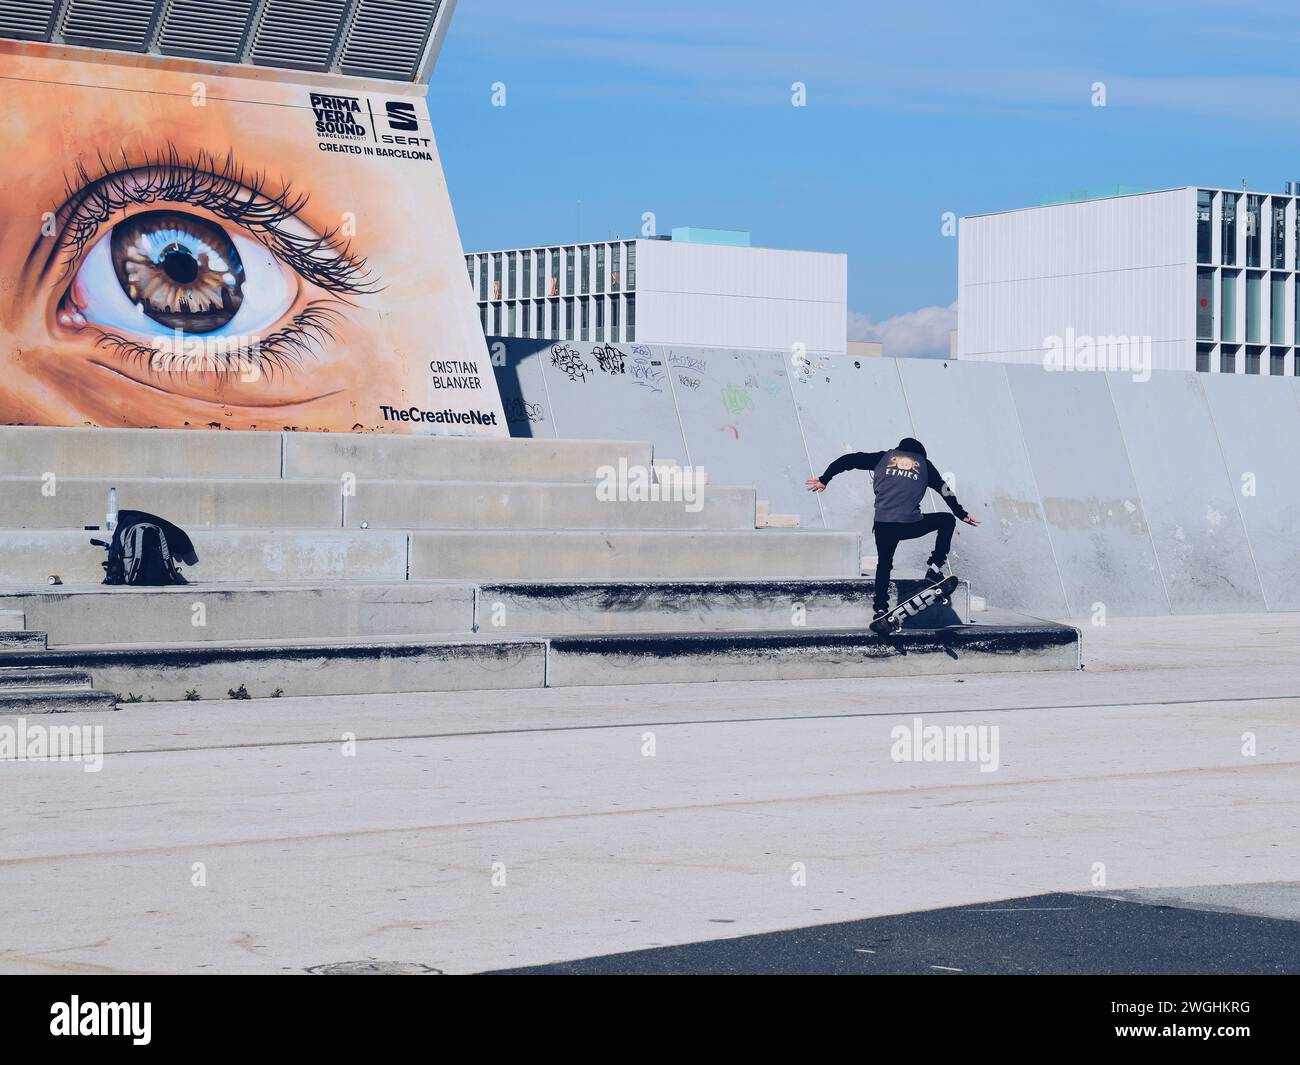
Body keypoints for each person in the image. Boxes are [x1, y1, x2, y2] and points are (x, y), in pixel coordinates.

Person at [806, 437, 979, 632]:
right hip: (909, 523)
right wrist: (960, 513)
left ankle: (880, 609)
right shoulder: (924, 464)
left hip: (883, 525)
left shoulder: (883, 457)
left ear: (899, 450)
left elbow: (849, 460)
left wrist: (824, 479)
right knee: (947, 520)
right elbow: (944, 489)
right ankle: (934, 568)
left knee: (884, 565)